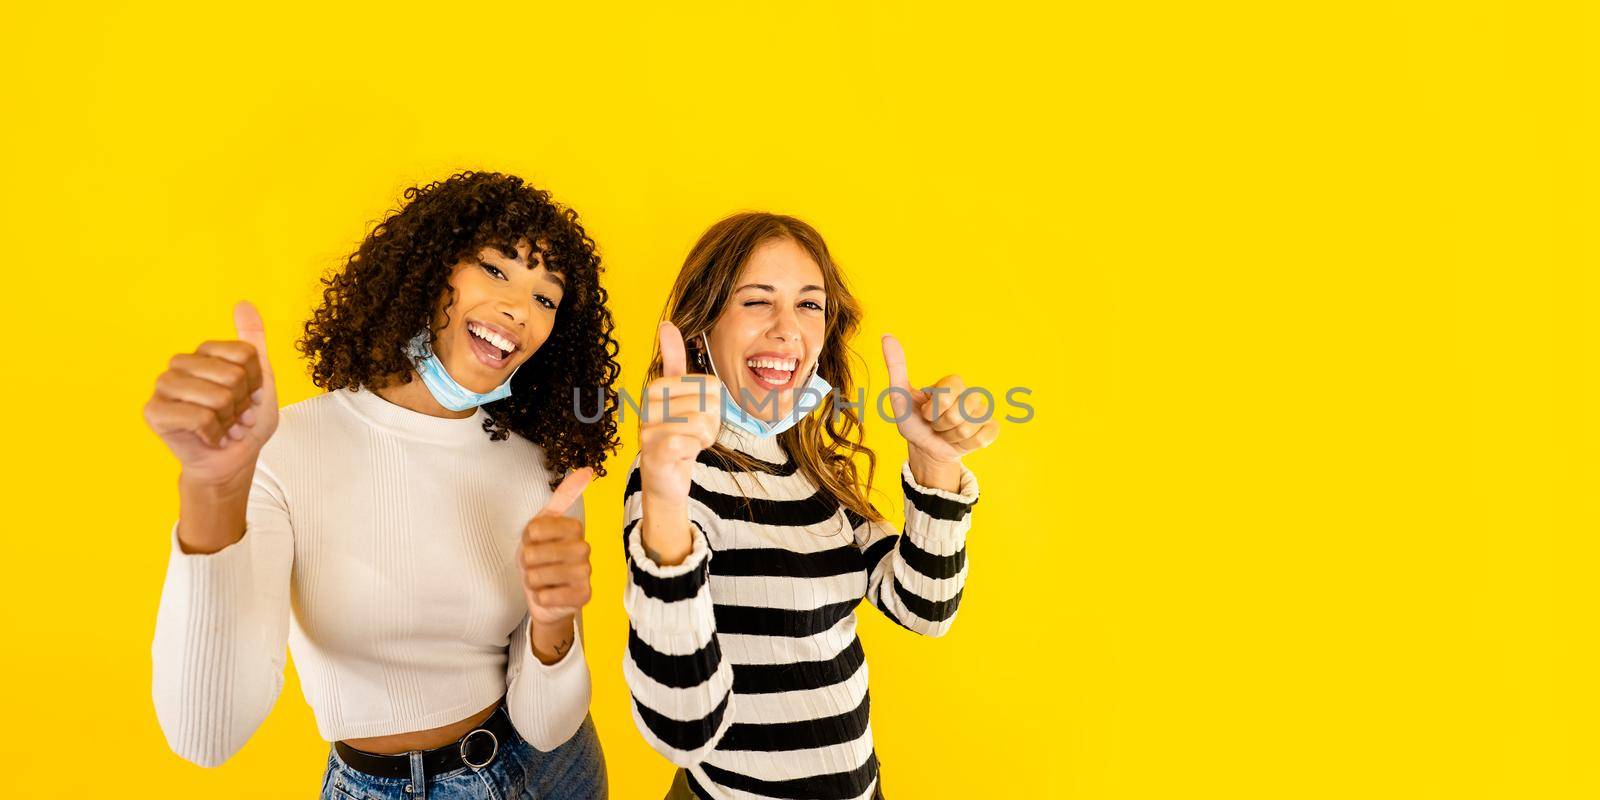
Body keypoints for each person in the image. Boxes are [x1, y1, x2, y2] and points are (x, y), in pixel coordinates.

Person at [145, 171, 618, 798]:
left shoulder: (543, 472)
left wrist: (553, 625)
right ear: (430, 269)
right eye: (496, 270)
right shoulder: (283, 450)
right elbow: (206, 737)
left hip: (557, 773)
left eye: (547, 299)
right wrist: (214, 489)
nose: (519, 310)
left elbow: (551, 723)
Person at [621, 212, 1000, 799]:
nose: (786, 330)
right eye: (756, 302)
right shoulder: (675, 477)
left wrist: (935, 463)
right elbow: (683, 728)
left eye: (809, 305)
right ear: (702, 328)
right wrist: (666, 502)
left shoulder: (812, 471)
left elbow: (924, 607)